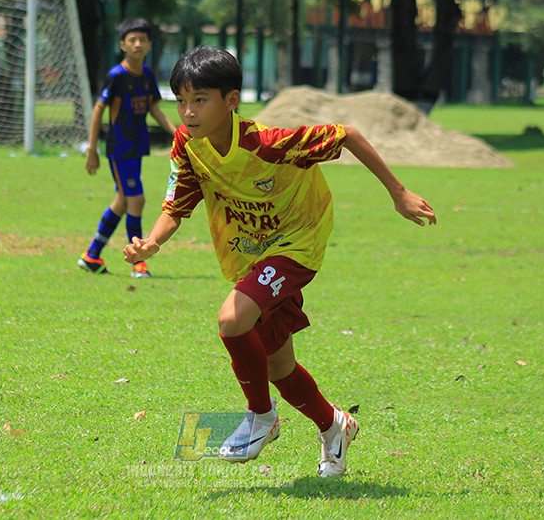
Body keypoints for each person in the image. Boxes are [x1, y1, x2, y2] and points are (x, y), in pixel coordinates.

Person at [122, 46, 436, 477]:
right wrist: (152, 243)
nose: (188, 112)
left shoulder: (266, 143)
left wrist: (398, 193)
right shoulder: (187, 144)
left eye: (200, 100)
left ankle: (261, 418)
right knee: (279, 366)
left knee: (232, 319)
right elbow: (176, 203)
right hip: (249, 253)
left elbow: (348, 135)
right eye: (180, 101)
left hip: (297, 240)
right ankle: (334, 425)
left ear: (231, 101)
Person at [78, 18, 178, 277]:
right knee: (137, 200)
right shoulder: (117, 76)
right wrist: (92, 149)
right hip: (119, 148)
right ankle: (137, 263)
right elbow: (99, 108)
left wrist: (179, 133)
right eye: (132, 40)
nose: (137, 44)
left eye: (142, 40)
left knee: (122, 202)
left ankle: (92, 255)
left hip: (136, 147)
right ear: (123, 44)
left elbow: (154, 108)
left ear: (149, 45)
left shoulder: (146, 75)